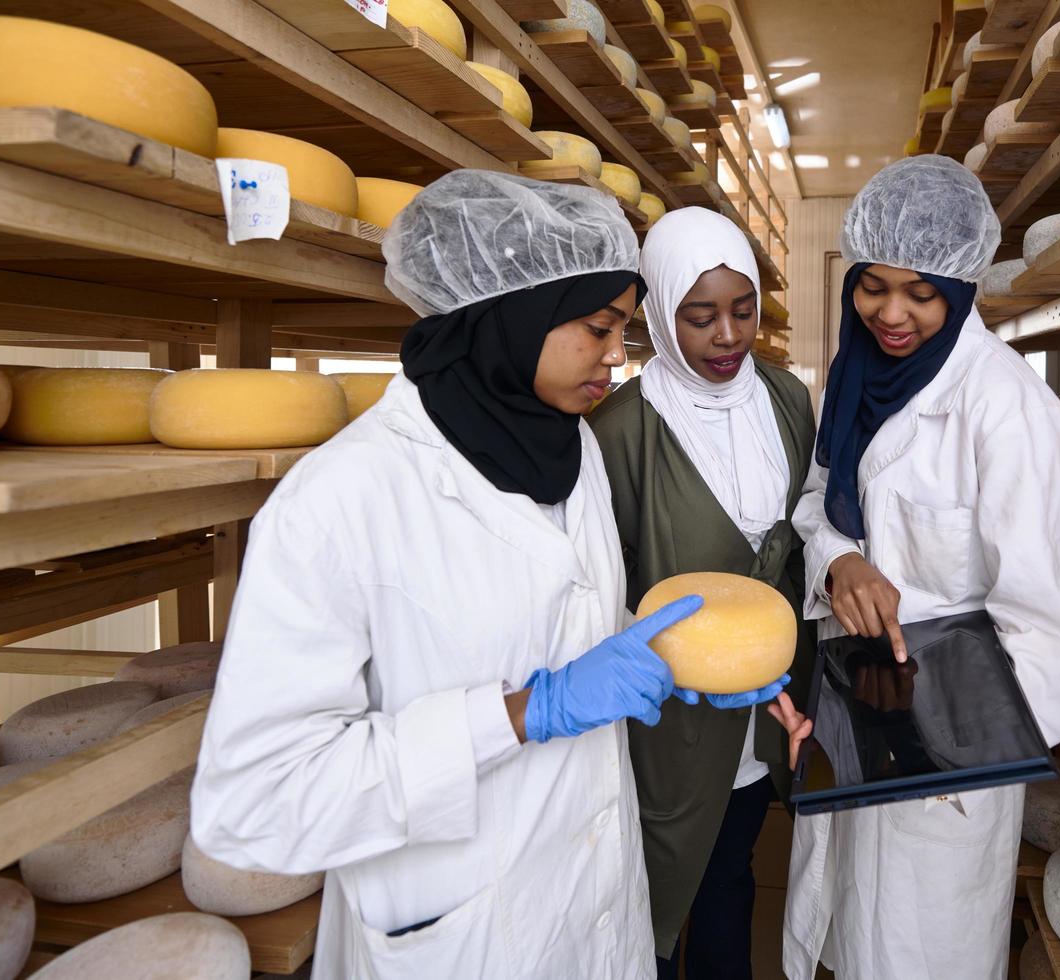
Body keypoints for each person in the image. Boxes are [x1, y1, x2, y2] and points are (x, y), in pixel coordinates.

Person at [189, 171, 702, 978]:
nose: (617, 357)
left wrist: (679, 654)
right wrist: (526, 713)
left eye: (624, 331)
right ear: (509, 316)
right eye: (599, 327)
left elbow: (558, 614)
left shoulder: (574, 449)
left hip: (595, 906)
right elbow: (258, 806)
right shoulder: (343, 497)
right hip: (462, 934)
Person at [774, 156, 1060, 979]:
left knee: (922, 950)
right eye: (871, 286)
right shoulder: (853, 376)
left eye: (920, 293)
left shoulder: (1006, 406)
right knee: (848, 933)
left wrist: (955, 751)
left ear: (960, 286)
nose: (890, 313)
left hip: (952, 743)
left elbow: (1045, 623)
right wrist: (841, 558)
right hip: (858, 703)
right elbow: (816, 500)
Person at [588, 207, 817, 979]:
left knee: (729, 874)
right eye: (699, 317)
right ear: (656, 315)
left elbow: (800, 537)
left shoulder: (786, 400)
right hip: (666, 718)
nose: (728, 336)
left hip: (759, 704)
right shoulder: (622, 428)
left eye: (743, 309)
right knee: (655, 888)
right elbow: (595, 580)